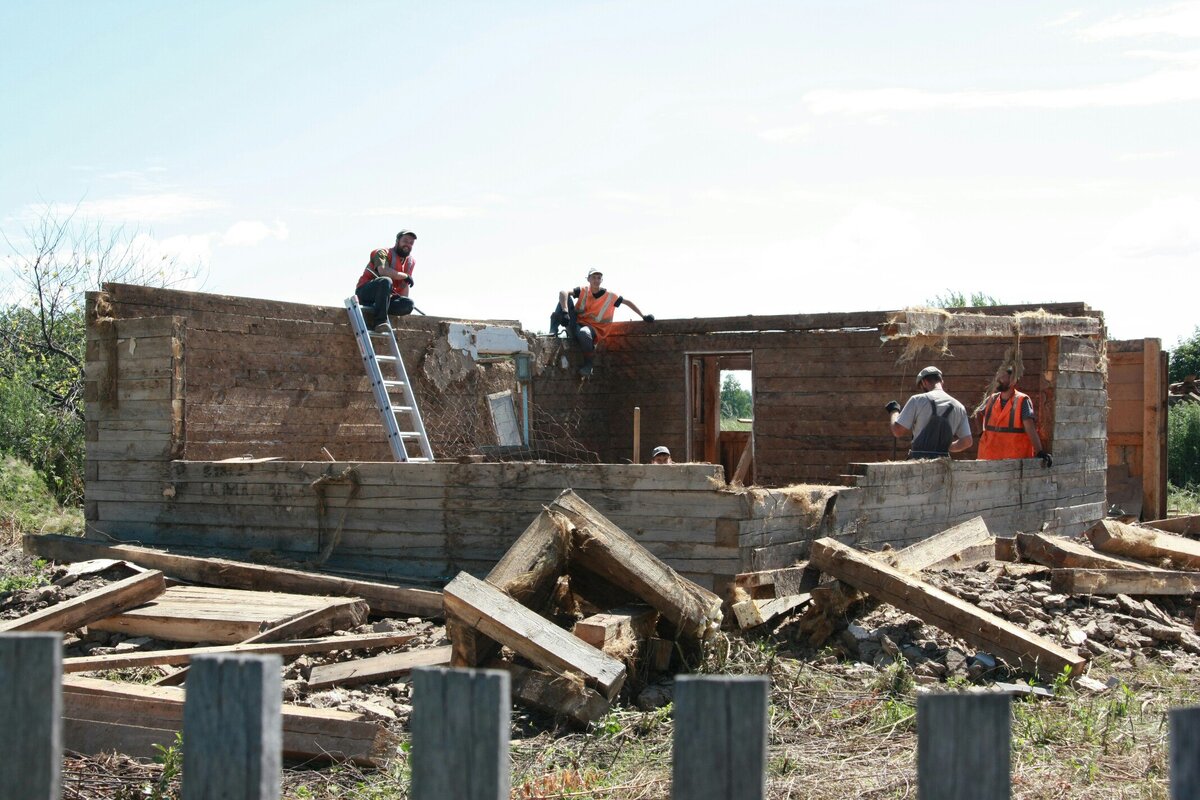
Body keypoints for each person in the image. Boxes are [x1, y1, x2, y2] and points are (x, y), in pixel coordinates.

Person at [552, 269, 653, 376]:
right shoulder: (583, 291)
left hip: (593, 330)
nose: (596, 280)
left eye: (599, 278)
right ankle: (553, 330)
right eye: (594, 277)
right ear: (588, 279)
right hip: (574, 325)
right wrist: (565, 312)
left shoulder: (610, 296)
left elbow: (627, 302)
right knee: (564, 298)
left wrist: (643, 316)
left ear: (602, 280)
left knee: (584, 333)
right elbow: (563, 292)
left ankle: (588, 363)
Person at [886, 366, 973, 460]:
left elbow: (897, 431)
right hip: (943, 465)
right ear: (941, 381)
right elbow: (967, 441)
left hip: (918, 464)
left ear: (924, 382)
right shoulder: (959, 406)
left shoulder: (917, 400)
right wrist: (945, 447)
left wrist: (894, 411)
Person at [977, 366, 1053, 467]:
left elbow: (1030, 428)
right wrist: (981, 433)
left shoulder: (1022, 400)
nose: (998, 378)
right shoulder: (992, 399)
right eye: (998, 375)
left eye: (1002, 376)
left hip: (1013, 463)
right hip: (988, 459)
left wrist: (1039, 451)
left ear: (1013, 380)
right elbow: (977, 413)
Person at [356, 230, 417, 330]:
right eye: (405, 241)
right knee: (385, 281)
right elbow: (383, 271)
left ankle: (380, 308)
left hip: (385, 299)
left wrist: (402, 301)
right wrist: (405, 276)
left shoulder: (410, 262)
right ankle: (380, 322)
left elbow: (405, 285)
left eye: (411, 243)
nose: (408, 245)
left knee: (409, 304)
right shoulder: (382, 253)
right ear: (397, 241)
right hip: (365, 293)